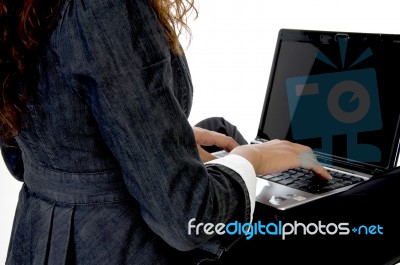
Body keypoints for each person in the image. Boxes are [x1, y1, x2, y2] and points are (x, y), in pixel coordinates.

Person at [0, 0, 332, 264]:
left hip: (34, 239)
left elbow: (23, 159)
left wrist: (157, 135)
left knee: (221, 131)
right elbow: (186, 218)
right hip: (117, 247)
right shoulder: (106, 7)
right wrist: (253, 158)